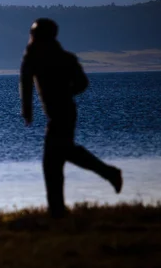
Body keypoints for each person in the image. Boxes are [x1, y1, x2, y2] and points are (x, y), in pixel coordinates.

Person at [20, 18, 123, 218]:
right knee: (60, 156)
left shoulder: (62, 58)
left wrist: (64, 93)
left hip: (64, 113)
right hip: (59, 113)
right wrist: (28, 110)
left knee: (54, 160)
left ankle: (58, 208)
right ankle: (58, 208)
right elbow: (26, 84)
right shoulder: (33, 57)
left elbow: (82, 83)